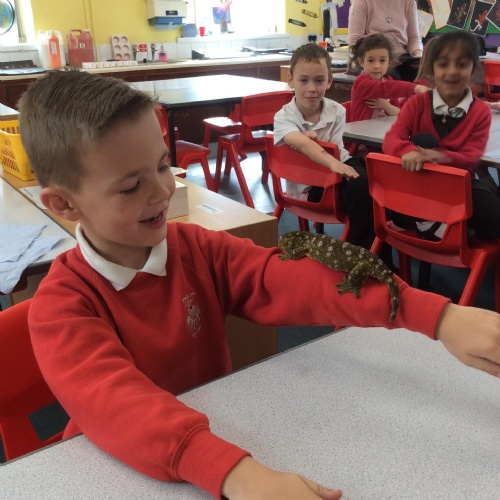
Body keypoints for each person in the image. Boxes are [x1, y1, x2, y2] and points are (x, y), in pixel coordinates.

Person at [19, 69, 500, 500]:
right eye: (130, 187)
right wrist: (236, 474)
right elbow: (117, 406)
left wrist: (436, 315)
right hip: (122, 467)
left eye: (163, 165)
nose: (163, 190)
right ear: (64, 204)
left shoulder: (196, 249)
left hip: (212, 441)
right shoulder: (61, 307)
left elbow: (291, 279)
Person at [383, 31, 500, 241]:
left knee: (491, 210)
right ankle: (431, 223)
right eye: (443, 64)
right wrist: (409, 151)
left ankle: (440, 226)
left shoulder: (480, 111)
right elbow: (391, 140)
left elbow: (472, 156)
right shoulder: (417, 103)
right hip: (419, 185)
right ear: (432, 68)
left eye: (462, 65)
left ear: (473, 68)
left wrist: (440, 156)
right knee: (422, 142)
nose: (452, 72)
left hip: (456, 186)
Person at [273, 43, 376, 251]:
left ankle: (374, 252)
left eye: (319, 80)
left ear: (329, 81)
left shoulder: (336, 110)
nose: (312, 88)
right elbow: (303, 144)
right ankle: (361, 255)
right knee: (363, 192)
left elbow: (337, 150)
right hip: (310, 186)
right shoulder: (284, 117)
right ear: (291, 80)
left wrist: (335, 163)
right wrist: (330, 162)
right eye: (304, 80)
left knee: (377, 184)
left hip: (338, 171)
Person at [349, 34, 429, 123]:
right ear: (361, 62)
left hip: (383, 129)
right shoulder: (361, 84)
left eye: (382, 60)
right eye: (371, 60)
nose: (377, 66)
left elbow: (398, 112)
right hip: (362, 131)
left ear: (389, 63)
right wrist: (415, 88)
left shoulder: (388, 80)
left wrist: (386, 105)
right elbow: (385, 88)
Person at [348, 0, 423, 81]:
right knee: (392, 78)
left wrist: (418, 55)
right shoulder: (361, 2)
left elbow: (414, 38)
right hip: (373, 58)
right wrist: (383, 59)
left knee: (422, 75)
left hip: (401, 58)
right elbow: (355, 41)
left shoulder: (409, 2)